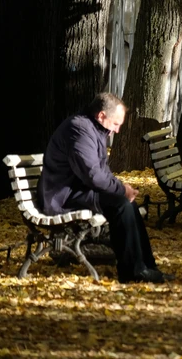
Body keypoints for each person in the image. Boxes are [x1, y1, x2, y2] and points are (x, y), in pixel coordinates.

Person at [40, 93, 169, 284]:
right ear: (101, 116)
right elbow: (92, 175)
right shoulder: (80, 130)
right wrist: (120, 190)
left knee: (129, 205)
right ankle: (133, 271)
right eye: (116, 124)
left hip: (77, 190)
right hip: (63, 195)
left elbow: (102, 171)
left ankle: (148, 266)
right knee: (121, 205)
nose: (117, 130)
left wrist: (122, 187)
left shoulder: (93, 130)